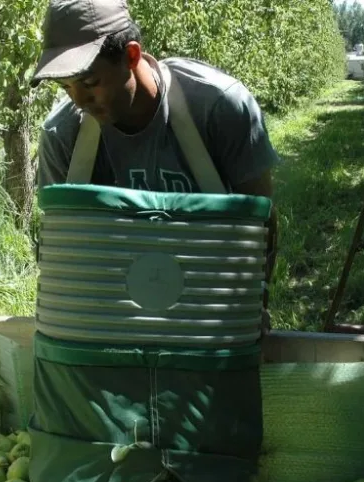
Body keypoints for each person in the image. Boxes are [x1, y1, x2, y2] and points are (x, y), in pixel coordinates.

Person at [29, 0, 281, 332]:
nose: (78, 100)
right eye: (66, 86)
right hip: (110, 311)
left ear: (131, 56)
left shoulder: (221, 107)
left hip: (210, 303)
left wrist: (250, 309)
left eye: (89, 83)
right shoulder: (63, 134)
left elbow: (260, 226)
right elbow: (64, 254)